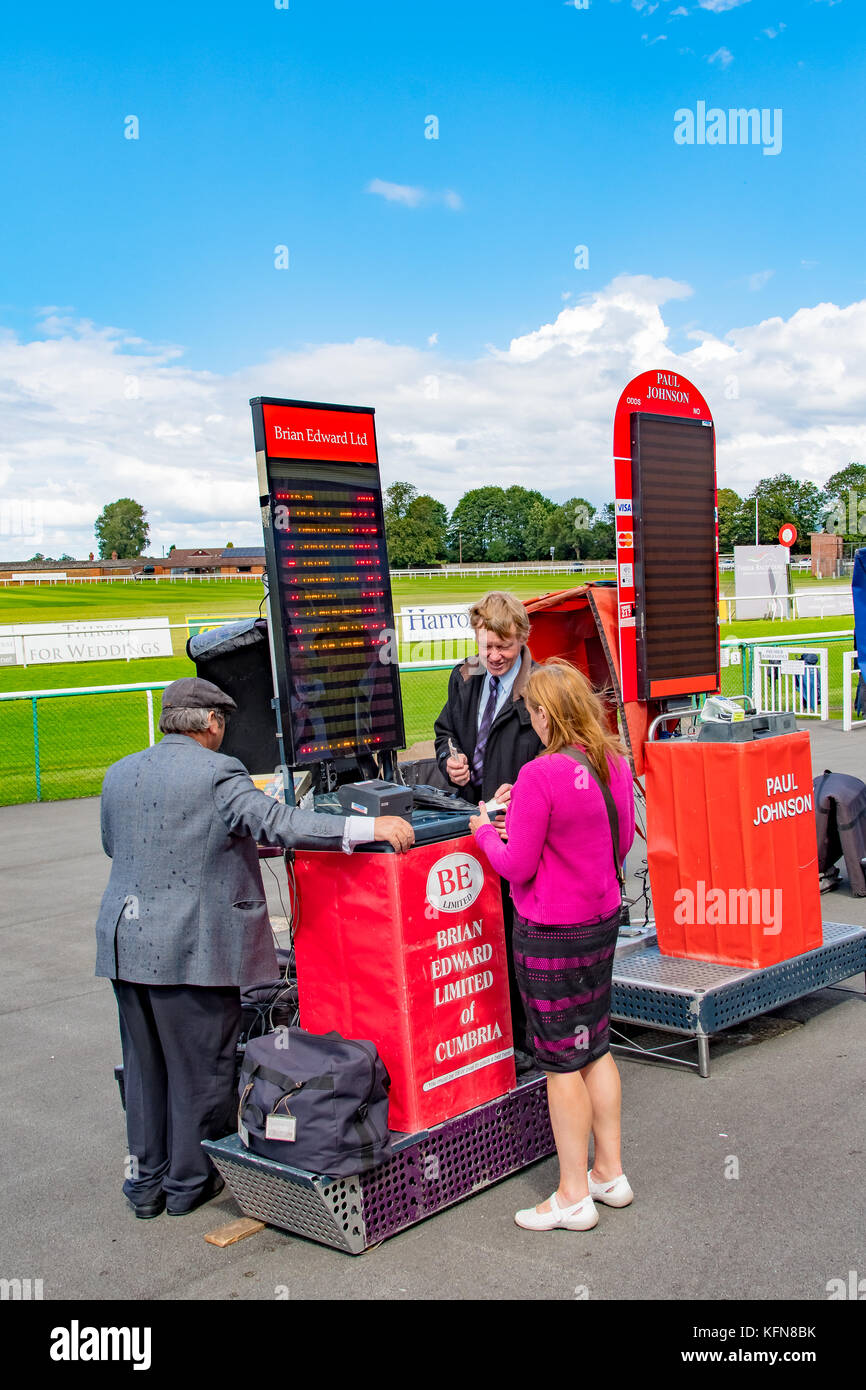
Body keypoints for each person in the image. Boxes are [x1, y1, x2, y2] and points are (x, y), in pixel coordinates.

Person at [96, 676, 413, 1220]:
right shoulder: (220, 771)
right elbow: (280, 822)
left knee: (145, 1068)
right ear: (213, 725)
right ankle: (189, 1184)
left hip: (127, 945)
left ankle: (145, 1184)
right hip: (192, 950)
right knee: (200, 1071)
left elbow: (113, 846)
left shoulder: (120, 772)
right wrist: (366, 829)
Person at [470, 658, 635, 1232]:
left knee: (561, 1063)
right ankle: (608, 1173)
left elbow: (515, 865)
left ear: (547, 715)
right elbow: (616, 843)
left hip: (551, 934)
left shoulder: (543, 773)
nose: (531, 720)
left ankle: (571, 1195)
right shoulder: (612, 760)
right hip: (602, 921)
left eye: (533, 711)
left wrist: (484, 828)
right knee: (596, 1047)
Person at [433, 591, 543, 1058]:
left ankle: (529, 1046)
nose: (494, 656)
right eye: (487, 646)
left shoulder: (541, 687)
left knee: (521, 942)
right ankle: (493, 1040)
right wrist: (450, 760)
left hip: (519, 829)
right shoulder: (465, 676)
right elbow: (445, 732)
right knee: (481, 938)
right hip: (470, 820)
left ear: (522, 638)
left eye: (505, 647)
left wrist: (519, 795)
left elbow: (554, 751)